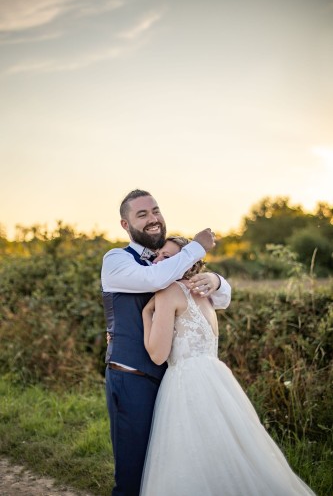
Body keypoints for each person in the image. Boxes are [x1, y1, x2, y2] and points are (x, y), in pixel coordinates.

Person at [140, 236, 316, 496]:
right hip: (216, 379)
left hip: (186, 383)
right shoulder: (205, 295)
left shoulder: (168, 293)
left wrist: (146, 314)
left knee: (190, 459)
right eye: (158, 255)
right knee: (226, 453)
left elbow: (157, 355)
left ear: (186, 263)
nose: (158, 261)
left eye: (167, 257)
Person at [101, 189, 231, 496]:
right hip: (132, 375)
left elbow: (221, 299)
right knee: (133, 473)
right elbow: (154, 280)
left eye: (155, 211)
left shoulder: (171, 262)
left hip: (172, 379)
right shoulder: (117, 259)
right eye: (142, 214)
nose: (152, 219)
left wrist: (215, 280)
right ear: (125, 224)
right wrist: (197, 247)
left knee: (169, 470)